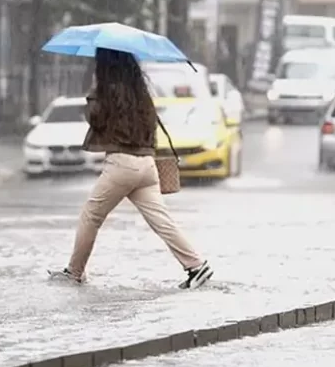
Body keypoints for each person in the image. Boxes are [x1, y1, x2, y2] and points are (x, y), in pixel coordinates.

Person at [51, 47, 213, 289]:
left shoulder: (107, 91)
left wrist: (95, 90)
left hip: (122, 164)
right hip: (147, 166)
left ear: (105, 64)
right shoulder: (140, 93)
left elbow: (94, 118)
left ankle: (74, 271)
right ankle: (196, 265)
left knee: (91, 215)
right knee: (162, 220)